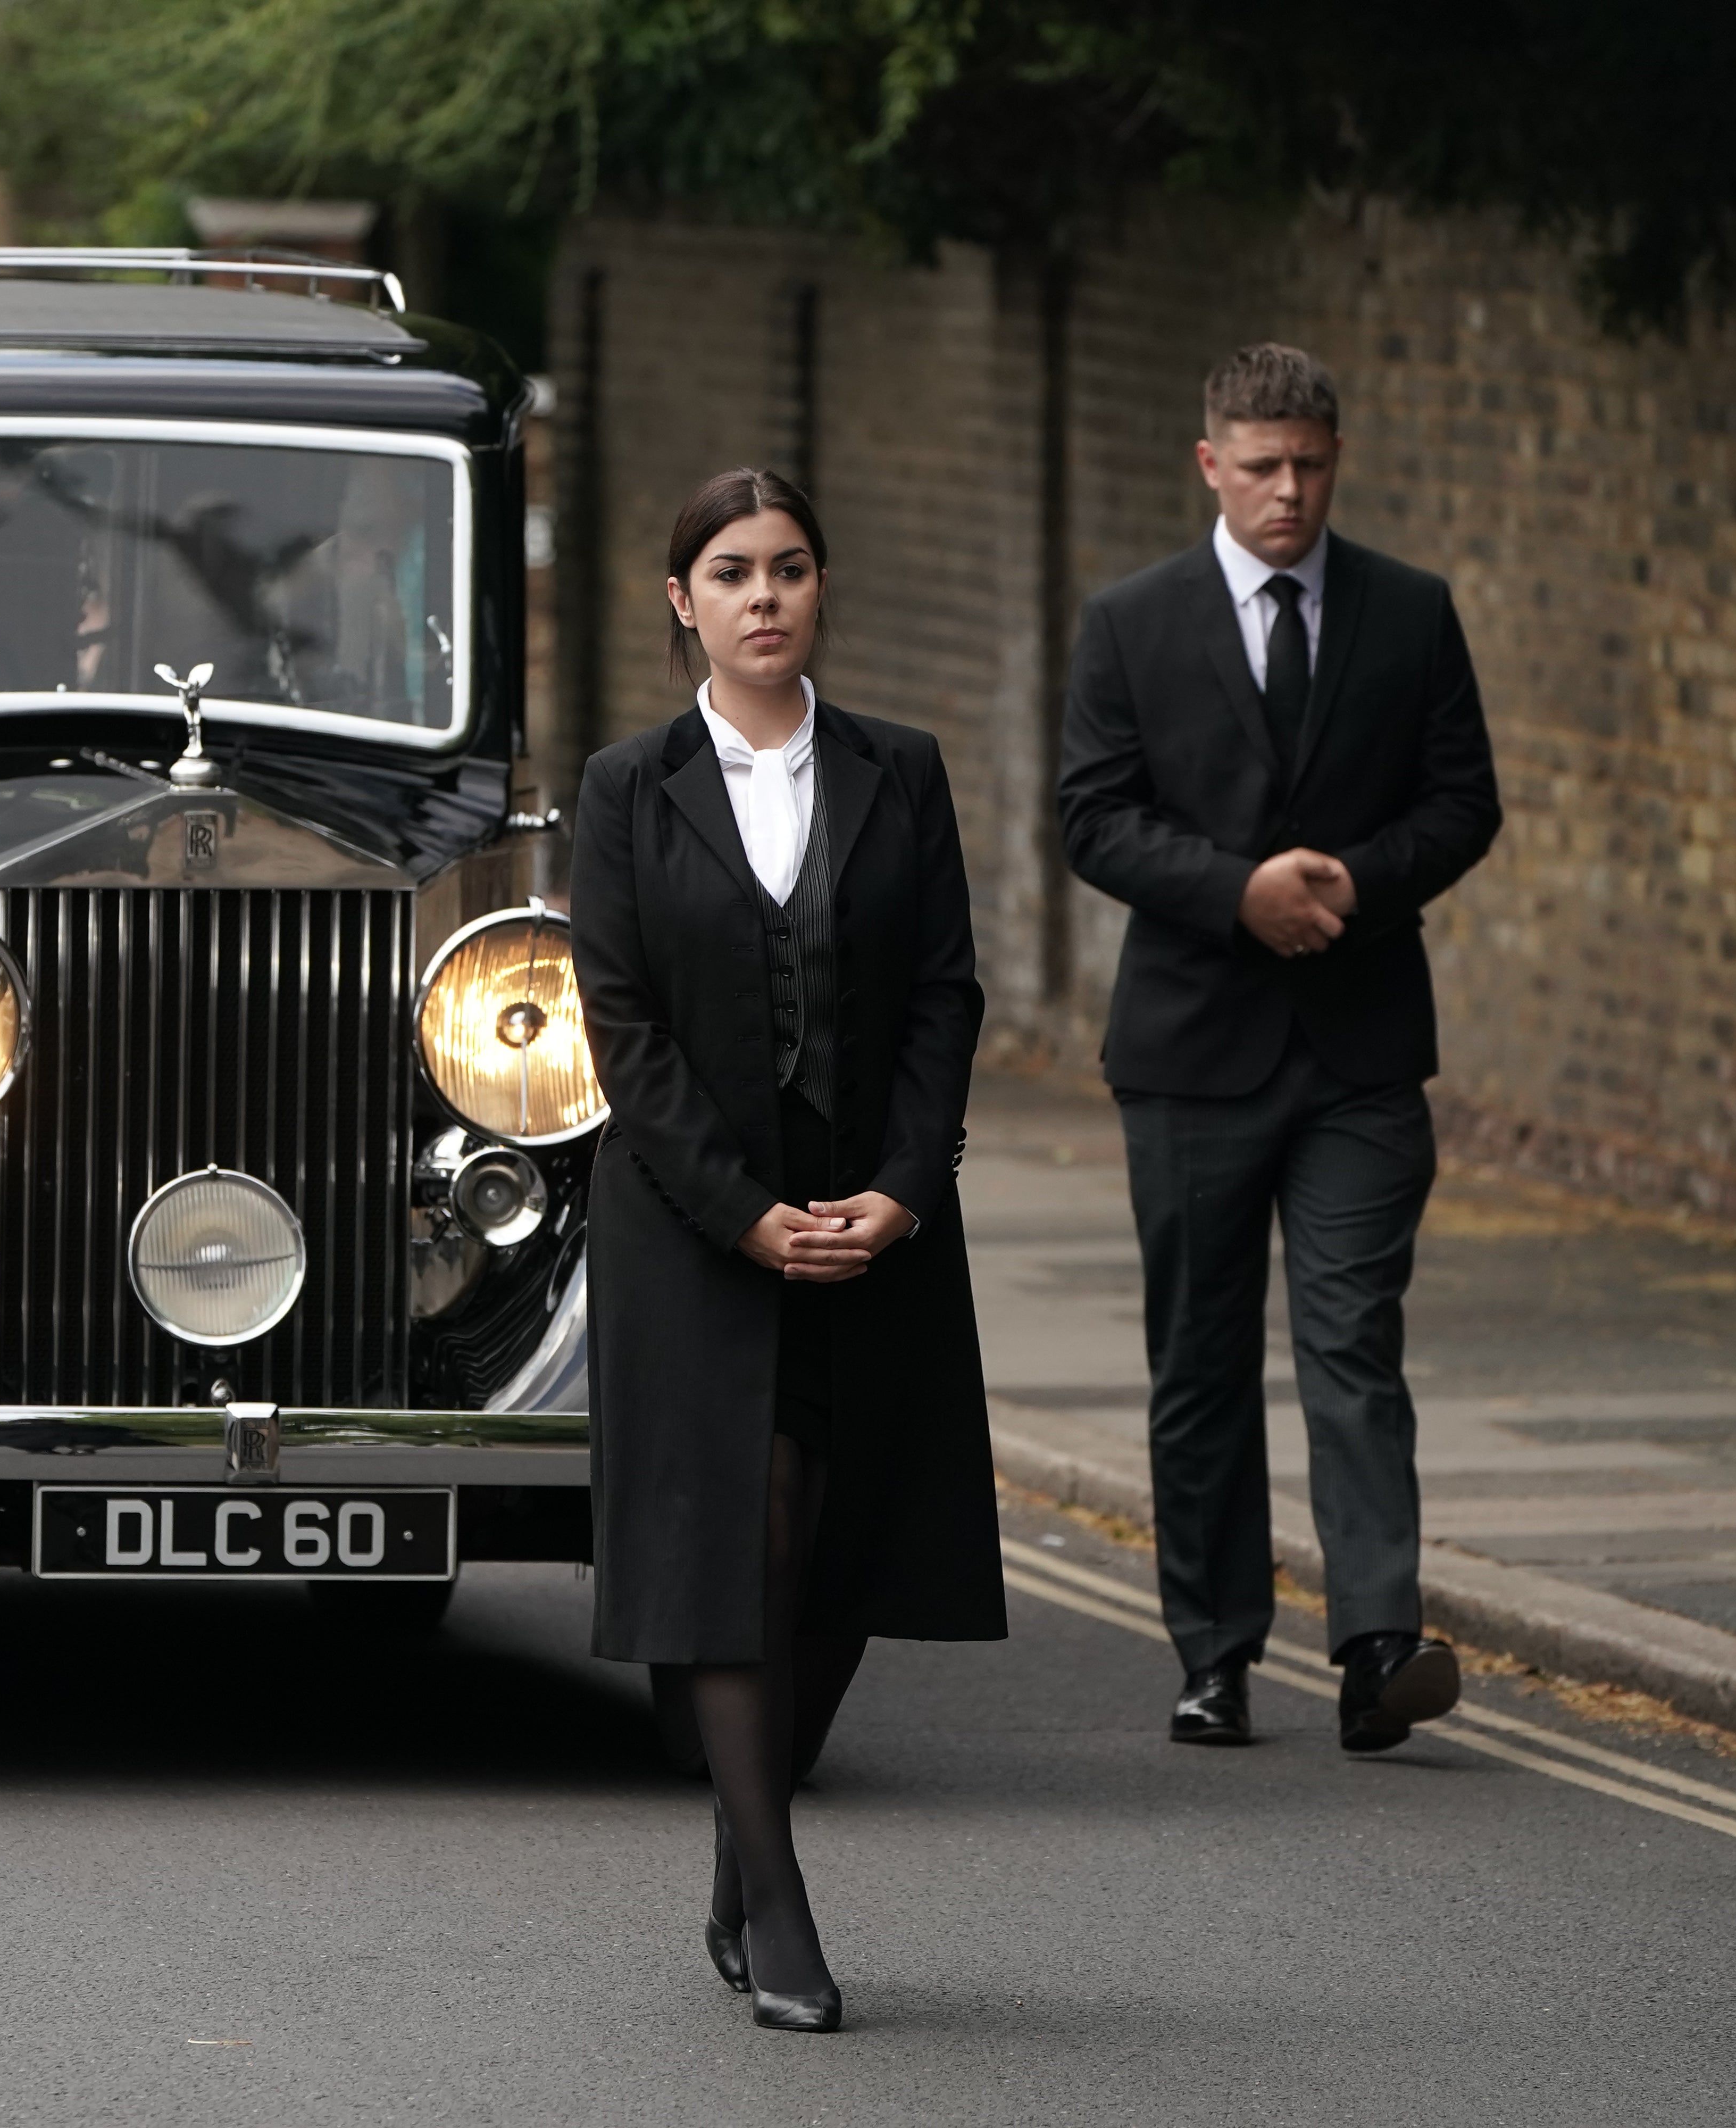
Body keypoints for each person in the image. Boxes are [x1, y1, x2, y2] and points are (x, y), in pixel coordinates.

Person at [571, 468, 1004, 2034]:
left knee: (836, 1559)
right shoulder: (624, 789)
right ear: (680, 600)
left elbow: (945, 996)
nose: (765, 596)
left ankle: (733, 1846)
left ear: (819, 592)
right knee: (742, 1546)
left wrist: (901, 1185)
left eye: (791, 569)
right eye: (732, 572)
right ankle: (779, 1897)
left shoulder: (901, 771)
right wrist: (738, 1212)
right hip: (693, 1229)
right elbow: (619, 1025)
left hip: (868, 1217)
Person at [1058, 343, 1502, 1754]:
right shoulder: (1130, 623)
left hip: (1364, 1053)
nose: (1289, 491)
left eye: (1310, 464)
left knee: (1352, 1341)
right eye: (1262, 467)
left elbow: (1464, 803)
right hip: (1191, 1053)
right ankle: (1213, 1648)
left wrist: (1357, 884)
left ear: (1335, 457)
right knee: (1198, 1361)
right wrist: (1236, 892)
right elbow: (1094, 817)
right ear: (1211, 465)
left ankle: (1376, 1643)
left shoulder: (1412, 614)